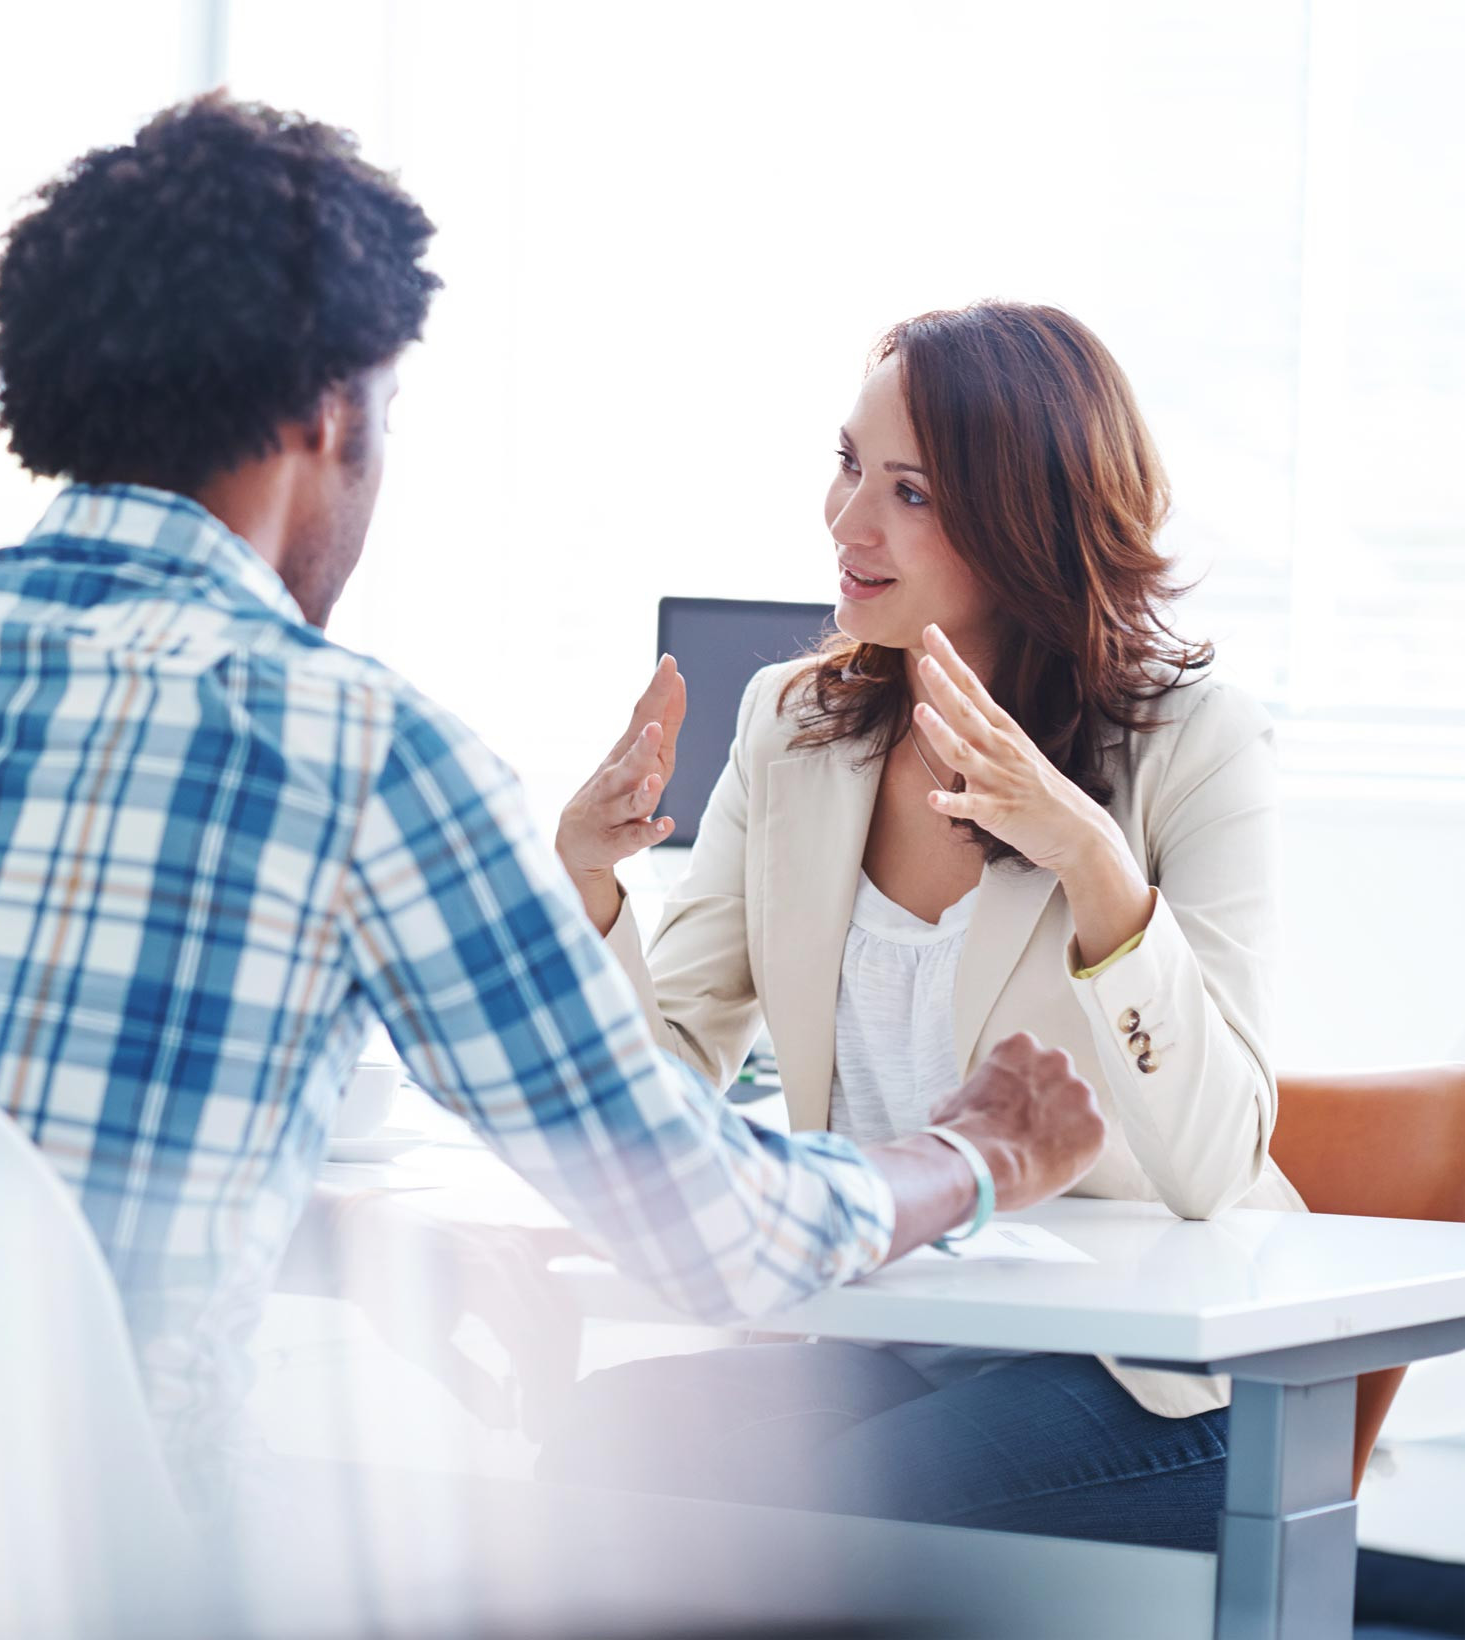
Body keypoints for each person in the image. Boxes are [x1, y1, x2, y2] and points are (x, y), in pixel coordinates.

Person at [0, 97, 1107, 1511]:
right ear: (328, 413)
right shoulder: (354, 743)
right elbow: (715, 1235)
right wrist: (978, 1151)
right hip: (102, 1566)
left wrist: (348, 1241)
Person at [538, 300, 1298, 1550]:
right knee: (601, 1439)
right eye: (847, 466)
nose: (847, 522)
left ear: (1024, 520)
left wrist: (1091, 862)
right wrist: (589, 885)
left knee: (846, 1503)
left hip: (1150, 1374)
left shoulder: (1193, 743)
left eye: (909, 491)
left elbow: (1214, 1163)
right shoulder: (790, 725)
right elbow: (666, 1076)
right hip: (889, 1334)